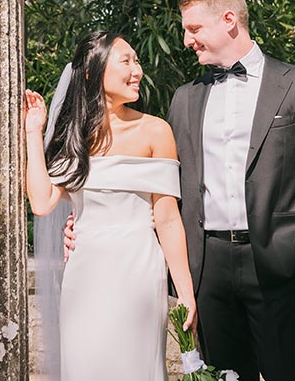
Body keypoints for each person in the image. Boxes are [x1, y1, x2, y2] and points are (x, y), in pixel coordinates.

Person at [66, 0, 295, 381]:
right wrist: (85, 219)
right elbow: (156, 182)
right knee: (223, 376)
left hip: (280, 264)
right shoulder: (185, 98)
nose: (185, 40)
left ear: (229, 20)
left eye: (193, 29)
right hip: (208, 267)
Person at [24, 30, 196, 381]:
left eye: (137, 60)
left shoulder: (156, 131)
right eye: (126, 61)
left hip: (140, 271)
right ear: (92, 72)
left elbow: (167, 219)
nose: (138, 70)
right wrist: (32, 133)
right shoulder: (71, 136)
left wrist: (187, 293)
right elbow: (42, 203)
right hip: (85, 274)